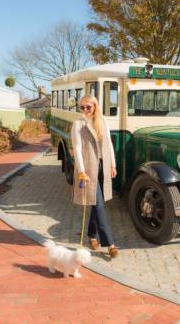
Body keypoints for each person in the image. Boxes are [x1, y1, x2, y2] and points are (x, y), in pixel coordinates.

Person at [71, 95, 118, 258]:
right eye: (82, 107)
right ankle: (110, 243)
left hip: (102, 166)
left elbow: (109, 144)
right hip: (88, 168)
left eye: (88, 107)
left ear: (95, 106)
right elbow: (76, 148)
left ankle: (91, 235)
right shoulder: (78, 123)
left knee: (94, 201)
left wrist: (113, 164)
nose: (85, 110)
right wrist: (81, 171)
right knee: (98, 203)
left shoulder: (102, 121)